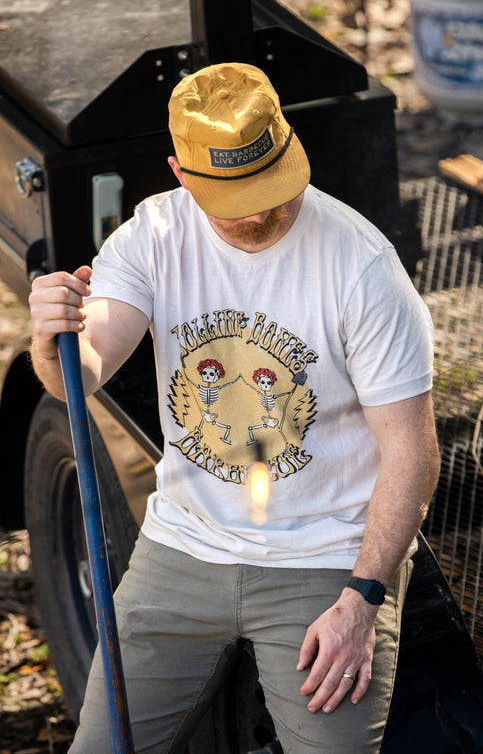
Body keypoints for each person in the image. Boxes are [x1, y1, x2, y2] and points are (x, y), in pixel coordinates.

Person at [29, 62, 440, 754]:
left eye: (268, 187)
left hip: (325, 558)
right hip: (183, 547)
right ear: (181, 174)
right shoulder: (153, 237)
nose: (256, 211)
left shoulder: (361, 267)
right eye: (233, 195)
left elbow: (411, 451)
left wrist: (361, 599)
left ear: (288, 148)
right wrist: (51, 336)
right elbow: (81, 373)